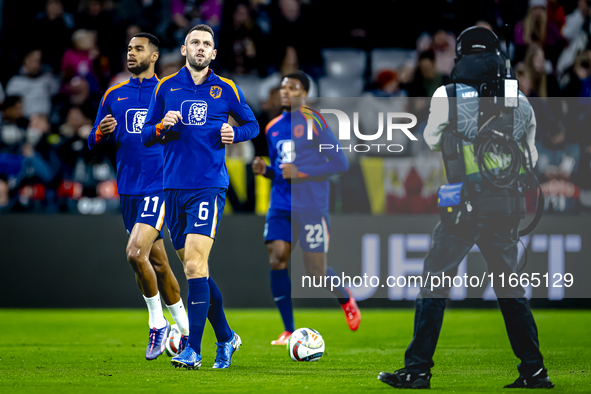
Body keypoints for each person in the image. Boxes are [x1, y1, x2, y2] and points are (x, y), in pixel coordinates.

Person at [378, 27, 554, 389]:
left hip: (465, 206)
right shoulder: (520, 100)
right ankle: (534, 371)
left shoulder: (448, 95)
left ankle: (417, 370)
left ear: (461, 57)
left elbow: (429, 140)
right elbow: (531, 158)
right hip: (507, 207)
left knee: (434, 284)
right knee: (511, 290)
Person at [141, 24, 259, 370]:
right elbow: (147, 135)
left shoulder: (226, 89)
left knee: (193, 264)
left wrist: (234, 133)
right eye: (195, 42)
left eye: (207, 43)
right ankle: (227, 338)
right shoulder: (165, 87)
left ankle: (193, 349)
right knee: (197, 271)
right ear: (184, 49)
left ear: (214, 53)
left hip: (209, 185)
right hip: (172, 188)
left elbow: (252, 125)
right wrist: (163, 125)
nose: (201, 48)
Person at [87, 33, 189, 361]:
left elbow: (184, 136)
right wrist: (100, 133)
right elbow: (92, 140)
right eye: (129, 49)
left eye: (138, 49)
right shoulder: (114, 94)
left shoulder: (170, 92)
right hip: (128, 189)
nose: (131, 53)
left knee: (134, 253)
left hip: (159, 186)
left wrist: (167, 128)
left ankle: (157, 324)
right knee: (157, 262)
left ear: (154, 55)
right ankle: (187, 332)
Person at [252, 72, 359, 346]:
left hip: (311, 205)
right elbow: (281, 171)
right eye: (284, 87)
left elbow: (340, 163)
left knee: (316, 272)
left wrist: (302, 172)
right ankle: (288, 329)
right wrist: (266, 171)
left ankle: (345, 297)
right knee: (277, 258)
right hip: (281, 204)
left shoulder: (315, 122)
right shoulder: (272, 128)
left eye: (294, 87)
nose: (286, 91)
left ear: (305, 94)